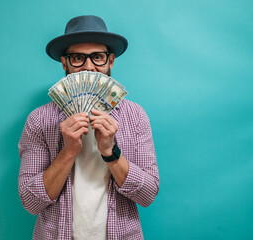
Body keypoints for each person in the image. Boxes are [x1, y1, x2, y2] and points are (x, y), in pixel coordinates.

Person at [18, 15, 160, 239]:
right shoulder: (39, 119)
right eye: (77, 58)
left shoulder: (135, 116)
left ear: (110, 61)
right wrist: (68, 152)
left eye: (98, 57)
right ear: (64, 63)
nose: (89, 67)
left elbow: (148, 194)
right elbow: (30, 202)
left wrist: (110, 152)